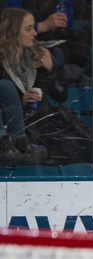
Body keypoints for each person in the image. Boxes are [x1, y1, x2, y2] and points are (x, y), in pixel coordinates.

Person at [0, 7, 50, 165]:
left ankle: (21, 145)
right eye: (29, 29)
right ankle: (7, 147)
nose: (35, 34)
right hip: (23, 122)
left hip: (32, 120)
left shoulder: (34, 59)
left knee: (6, 86)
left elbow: (59, 96)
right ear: (12, 32)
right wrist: (20, 102)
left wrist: (51, 69)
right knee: (5, 85)